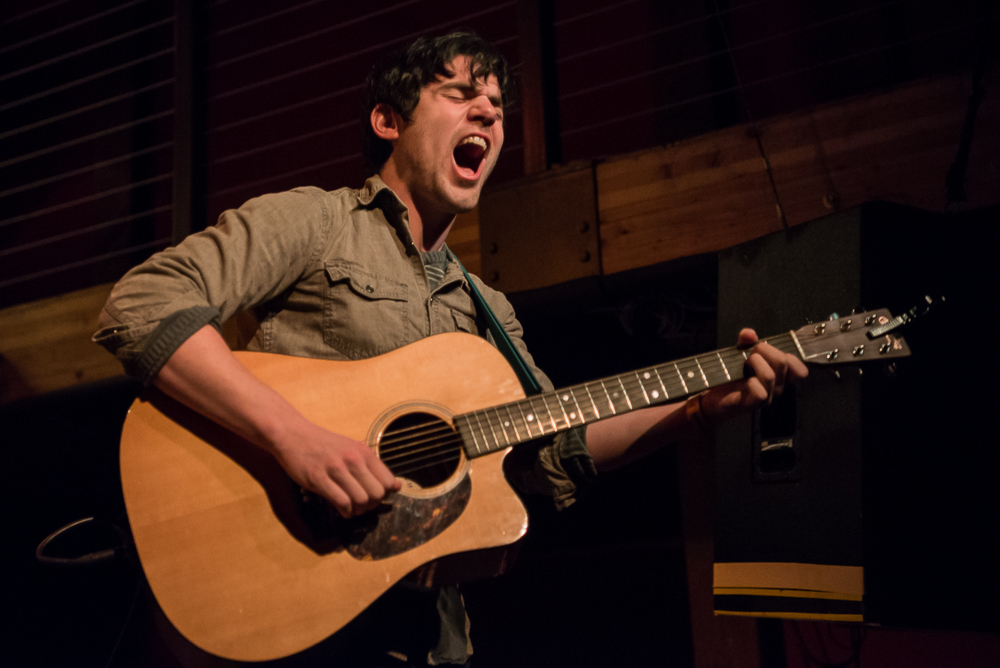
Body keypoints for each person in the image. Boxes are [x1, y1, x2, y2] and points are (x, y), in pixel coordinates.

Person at [94, 32, 806, 667]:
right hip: (288, 593)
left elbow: (549, 457)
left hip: (429, 636)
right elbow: (140, 304)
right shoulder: (315, 222)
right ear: (388, 120)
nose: (491, 114)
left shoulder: (488, 313)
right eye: (462, 94)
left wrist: (700, 411)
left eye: (497, 104)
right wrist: (297, 439)